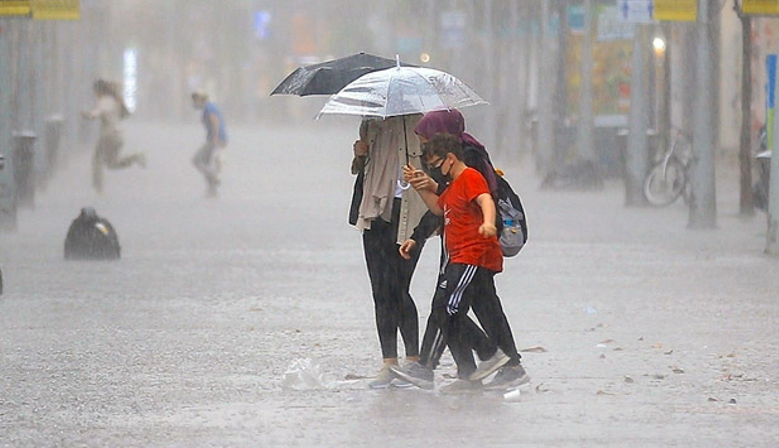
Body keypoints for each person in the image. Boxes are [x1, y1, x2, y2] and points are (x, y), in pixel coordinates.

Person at [391, 110, 529, 392]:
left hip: (473, 246)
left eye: (428, 141)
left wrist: (488, 223)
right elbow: (442, 205)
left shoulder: (469, 163)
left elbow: (480, 198)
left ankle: (447, 364)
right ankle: (486, 369)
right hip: (462, 246)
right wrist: (418, 228)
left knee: (446, 307)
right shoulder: (450, 167)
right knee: (482, 307)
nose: (425, 149)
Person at [349, 114, 430, 388]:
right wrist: (359, 155)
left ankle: (413, 359)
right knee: (380, 290)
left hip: (409, 213)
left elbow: (435, 169)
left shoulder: (420, 124)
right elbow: (361, 170)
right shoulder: (370, 123)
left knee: (398, 287)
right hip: (374, 212)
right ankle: (389, 363)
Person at [82, 79, 145, 194]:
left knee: (97, 160)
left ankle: (98, 188)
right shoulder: (114, 100)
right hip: (117, 135)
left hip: (108, 135)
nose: (94, 95)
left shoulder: (106, 100)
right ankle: (135, 158)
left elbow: (99, 111)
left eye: (95, 92)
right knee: (112, 164)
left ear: (99, 91)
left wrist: (88, 115)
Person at [191, 91, 228, 197]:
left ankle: (213, 177)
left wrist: (216, 138)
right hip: (216, 138)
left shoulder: (208, 107)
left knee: (197, 160)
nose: (194, 103)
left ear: (199, 99)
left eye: (194, 100)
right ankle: (211, 189)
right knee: (207, 162)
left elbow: (215, 121)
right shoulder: (209, 106)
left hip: (214, 139)